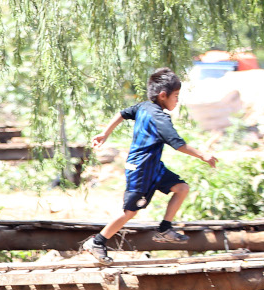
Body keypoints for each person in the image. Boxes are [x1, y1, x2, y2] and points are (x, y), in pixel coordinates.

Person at [82, 68, 218, 265]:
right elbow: (178, 144)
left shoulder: (143, 107)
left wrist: (105, 133)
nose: (177, 101)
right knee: (129, 212)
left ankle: (164, 228)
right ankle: (97, 242)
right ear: (163, 95)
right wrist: (203, 155)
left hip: (154, 167)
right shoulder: (159, 118)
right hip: (141, 169)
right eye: (176, 96)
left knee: (182, 188)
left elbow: (122, 114)